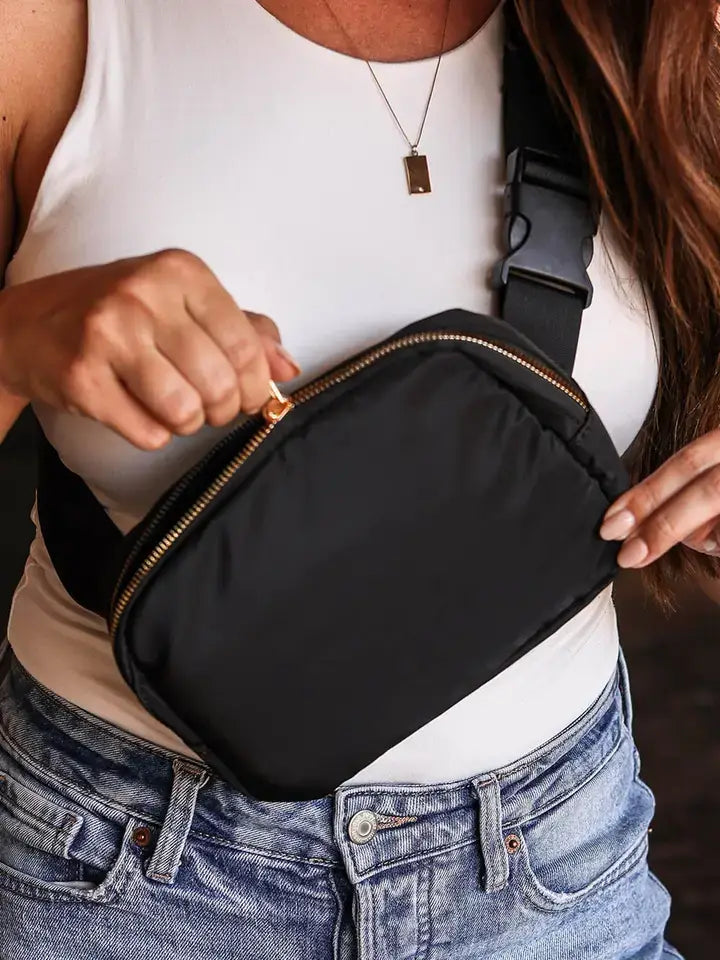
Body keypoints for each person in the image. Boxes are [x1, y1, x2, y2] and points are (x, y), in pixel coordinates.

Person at [0, 0, 716, 956]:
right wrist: (17, 340)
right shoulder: (51, 27)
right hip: (121, 867)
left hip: (552, 871)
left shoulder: (660, 26)